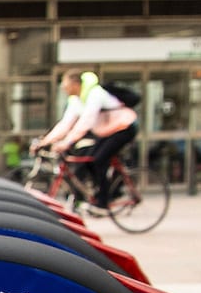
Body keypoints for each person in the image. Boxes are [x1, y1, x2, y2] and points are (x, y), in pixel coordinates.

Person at [31, 69, 139, 209]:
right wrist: (45, 141)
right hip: (106, 132)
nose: (63, 87)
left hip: (125, 128)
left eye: (65, 83)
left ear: (76, 83)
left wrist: (66, 143)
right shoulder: (76, 99)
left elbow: (86, 122)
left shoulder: (95, 94)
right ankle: (94, 193)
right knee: (87, 159)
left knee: (99, 159)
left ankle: (103, 200)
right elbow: (65, 124)